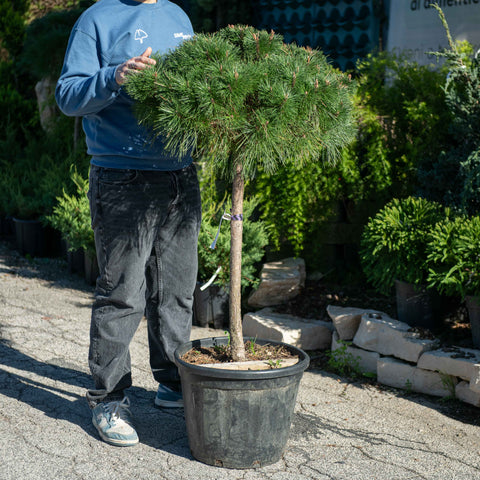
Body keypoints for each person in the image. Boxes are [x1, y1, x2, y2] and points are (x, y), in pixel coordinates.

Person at [56, 0, 201, 447]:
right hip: (121, 174)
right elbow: (67, 96)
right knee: (122, 293)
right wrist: (115, 77)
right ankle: (108, 399)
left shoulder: (180, 17)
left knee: (176, 290)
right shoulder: (98, 18)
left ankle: (174, 383)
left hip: (181, 174)